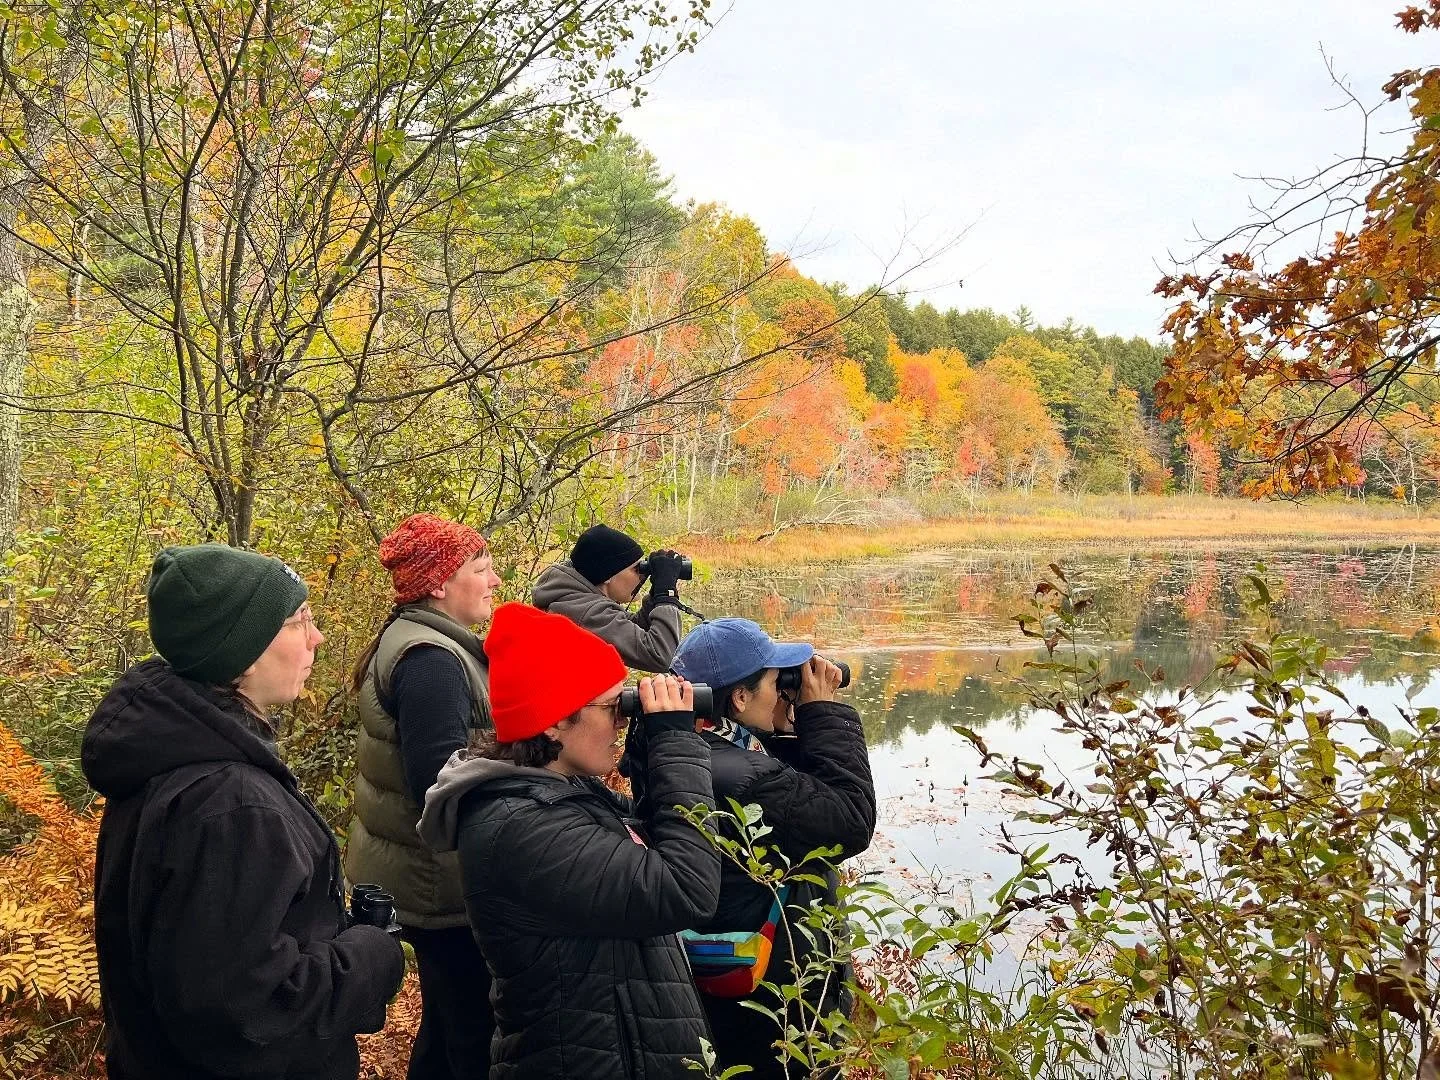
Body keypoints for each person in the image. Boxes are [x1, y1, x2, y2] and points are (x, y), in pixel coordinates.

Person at [83, 543, 404, 1080]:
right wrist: (371, 957)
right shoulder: (229, 805)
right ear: (246, 651)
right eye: (299, 621)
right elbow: (245, 1009)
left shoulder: (173, 754)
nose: (317, 638)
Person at [418, 602, 720, 1080]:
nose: (620, 720)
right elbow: (685, 886)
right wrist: (675, 743)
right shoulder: (520, 825)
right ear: (554, 721)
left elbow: (655, 839)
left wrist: (647, 751)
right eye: (610, 706)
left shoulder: (562, 792)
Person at [668, 617, 877, 1080]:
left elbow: (787, 795)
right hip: (774, 990)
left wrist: (786, 731)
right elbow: (849, 822)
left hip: (731, 972)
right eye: (773, 681)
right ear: (739, 698)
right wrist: (824, 714)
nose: (784, 691)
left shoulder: (688, 746)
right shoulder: (743, 775)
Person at [345, 513, 501, 1080]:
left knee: (447, 1022)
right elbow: (440, 781)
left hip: (423, 873)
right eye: (481, 568)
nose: (494, 580)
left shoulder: (426, 643)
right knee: (473, 1033)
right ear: (439, 584)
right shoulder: (432, 661)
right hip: (438, 883)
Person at [531, 523, 684, 671]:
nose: (642, 575)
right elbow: (659, 656)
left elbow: (631, 629)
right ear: (607, 576)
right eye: (637, 569)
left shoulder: (576, 602)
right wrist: (666, 594)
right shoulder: (586, 612)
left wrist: (658, 590)